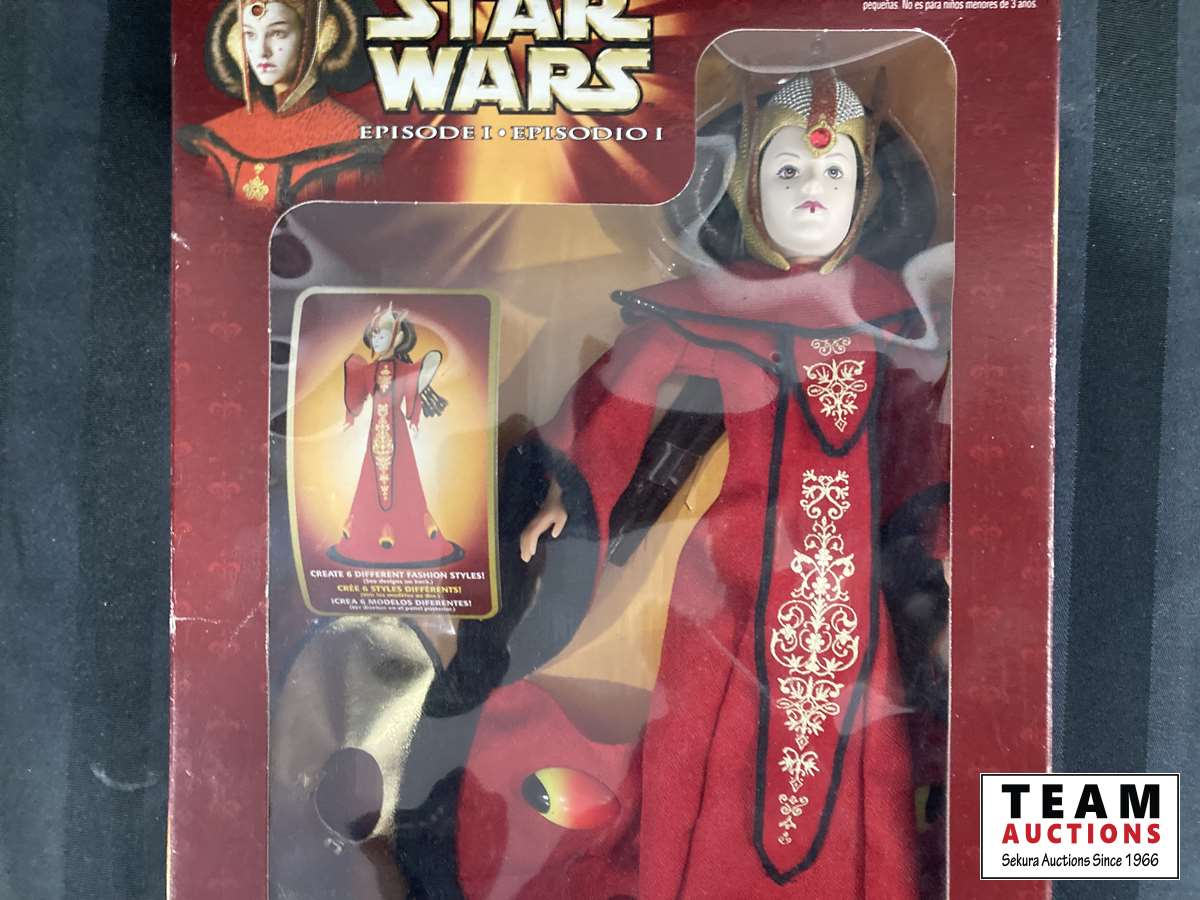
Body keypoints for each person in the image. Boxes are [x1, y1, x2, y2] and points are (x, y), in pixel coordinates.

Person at [432, 70, 953, 900]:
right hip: (727, 591)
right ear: (747, 190)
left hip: (853, 607)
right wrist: (572, 486)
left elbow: (922, 438)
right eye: (786, 170)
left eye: (834, 171)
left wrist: (945, 533)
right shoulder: (718, 305)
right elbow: (622, 390)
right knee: (703, 754)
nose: (812, 189)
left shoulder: (892, 315)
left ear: (865, 193)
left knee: (862, 772)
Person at [177, 0, 391, 210]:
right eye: (249, 35)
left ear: (318, 38)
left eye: (278, 33)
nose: (261, 51)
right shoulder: (222, 135)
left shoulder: (351, 140)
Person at [330, 304, 461, 568]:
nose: (377, 339)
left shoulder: (404, 369)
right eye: (374, 335)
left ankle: (411, 537)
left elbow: (416, 385)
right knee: (371, 477)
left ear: (398, 337)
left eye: (383, 334)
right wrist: (350, 417)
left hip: (398, 432)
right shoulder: (367, 370)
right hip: (375, 432)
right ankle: (366, 538)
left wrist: (414, 419)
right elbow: (357, 395)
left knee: (404, 478)